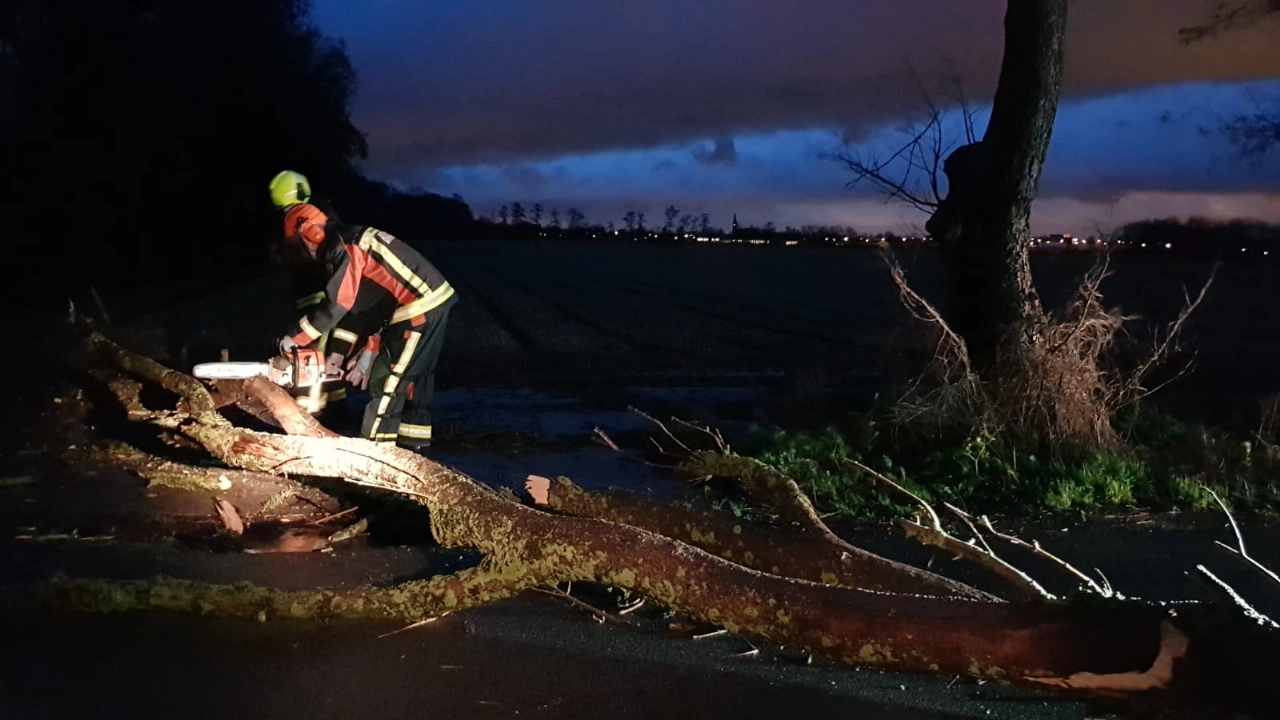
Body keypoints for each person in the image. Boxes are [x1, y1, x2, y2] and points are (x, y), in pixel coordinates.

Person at [278, 202, 456, 450]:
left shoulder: (345, 248)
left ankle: (375, 454)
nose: (305, 252)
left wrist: (294, 337)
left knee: (388, 379)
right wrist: (340, 353)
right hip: (424, 301)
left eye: (301, 245)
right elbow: (363, 310)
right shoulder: (353, 240)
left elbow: (339, 302)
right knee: (415, 378)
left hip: (418, 307)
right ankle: (412, 447)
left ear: (312, 232)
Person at [268, 170, 368, 423]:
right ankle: (336, 411)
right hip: (328, 294)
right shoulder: (322, 212)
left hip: (314, 294)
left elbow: (300, 258)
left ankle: (311, 411)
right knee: (328, 356)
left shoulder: (298, 217)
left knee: (310, 354)